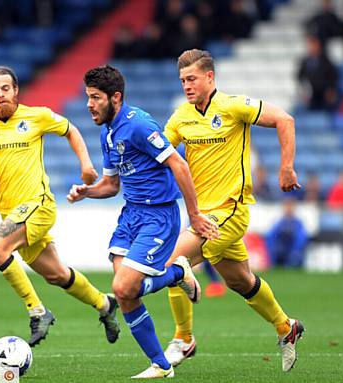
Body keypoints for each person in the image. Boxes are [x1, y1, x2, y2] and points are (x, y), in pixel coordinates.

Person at [0, 66, 120, 347]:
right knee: (57, 275)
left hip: (37, 205)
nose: (1, 95)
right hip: (12, 213)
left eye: (6, 89)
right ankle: (104, 304)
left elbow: (71, 130)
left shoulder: (36, 116)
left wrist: (87, 166)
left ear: (15, 91)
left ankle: (37, 311)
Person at [68, 65, 219, 378]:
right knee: (126, 293)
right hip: (131, 214)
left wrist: (194, 215)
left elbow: (179, 164)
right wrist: (87, 192)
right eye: (88, 97)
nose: (89, 104)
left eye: (95, 98)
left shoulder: (138, 125)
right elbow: (111, 185)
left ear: (116, 97)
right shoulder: (107, 133)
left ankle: (178, 271)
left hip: (158, 215)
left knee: (122, 286)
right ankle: (162, 366)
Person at [162, 49, 304, 372]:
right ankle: (287, 327)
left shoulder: (233, 106)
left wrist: (286, 168)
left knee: (171, 262)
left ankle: (184, 339)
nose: (186, 85)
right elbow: (163, 154)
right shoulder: (180, 117)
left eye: (192, 79)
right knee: (241, 281)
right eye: (183, 80)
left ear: (210, 77)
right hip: (202, 214)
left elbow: (285, 119)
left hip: (230, 211)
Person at [265, 197, 308, 268]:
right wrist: (271, 248)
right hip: (281, 250)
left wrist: (296, 249)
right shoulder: (279, 222)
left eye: (291, 206)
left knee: (296, 255)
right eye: (287, 206)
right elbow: (271, 237)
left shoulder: (298, 223)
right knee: (275, 251)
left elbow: (301, 238)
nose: (289, 209)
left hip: (293, 250)